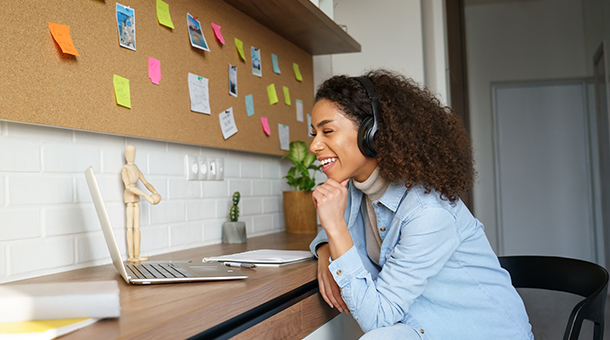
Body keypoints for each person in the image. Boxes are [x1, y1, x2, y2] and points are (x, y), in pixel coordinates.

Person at [308, 69, 533, 339]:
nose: (314, 146)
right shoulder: (354, 191)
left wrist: (335, 229)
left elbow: (377, 317)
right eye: (314, 133)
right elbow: (341, 224)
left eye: (327, 131)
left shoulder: (428, 212)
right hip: (425, 327)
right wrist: (324, 249)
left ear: (371, 132)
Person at [122, 144, 162, 262]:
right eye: (129, 152)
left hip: (136, 197)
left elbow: (145, 182)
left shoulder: (136, 168)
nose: (131, 155)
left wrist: (155, 192)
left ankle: (137, 254)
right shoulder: (124, 169)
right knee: (130, 227)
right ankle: (131, 256)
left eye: (133, 152)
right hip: (130, 196)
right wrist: (145, 195)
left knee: (137, 227)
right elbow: (128, 187)